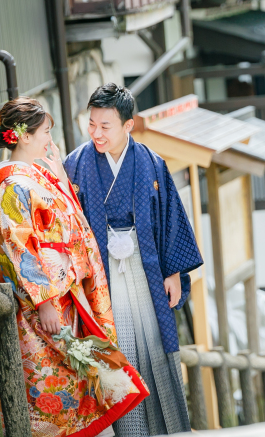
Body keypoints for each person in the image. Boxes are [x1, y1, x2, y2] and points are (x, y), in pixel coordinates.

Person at [0, 97, 149, 437]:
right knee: (53, 390)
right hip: (45, 306)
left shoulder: (35, 177)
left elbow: (70, 223)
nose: (49, 140)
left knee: (82, 385)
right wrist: (42, 301)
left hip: (66, 297)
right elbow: (19, 248)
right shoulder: (14, 185)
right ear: (24, 136)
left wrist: (58, 178)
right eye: (45, 132)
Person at [64, 84, 203, 436]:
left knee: (154, 339)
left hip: (146, 265)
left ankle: (168, 428)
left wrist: (173, 271)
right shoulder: (75, 165)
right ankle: (131, 430)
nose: (96, 133)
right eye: (91, 124)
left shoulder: (151, 163)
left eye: (105, 126)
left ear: (128, 126)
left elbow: (170, 216)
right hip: (102, 273)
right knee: (118, 344)